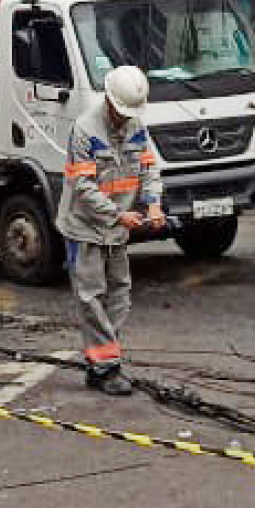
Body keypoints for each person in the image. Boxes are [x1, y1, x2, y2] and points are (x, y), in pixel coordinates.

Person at [58, 63, 164, 395]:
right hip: (85, 228)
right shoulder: (84, 129)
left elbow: (148, 168)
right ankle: (106, 367)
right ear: (108, 100)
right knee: (91, 297)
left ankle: (102, 358)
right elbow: (83, 188)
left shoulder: (136, 126)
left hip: (116, 230)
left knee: (119, 295)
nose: (123, 118)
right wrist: (119, 215)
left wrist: (153, 203)